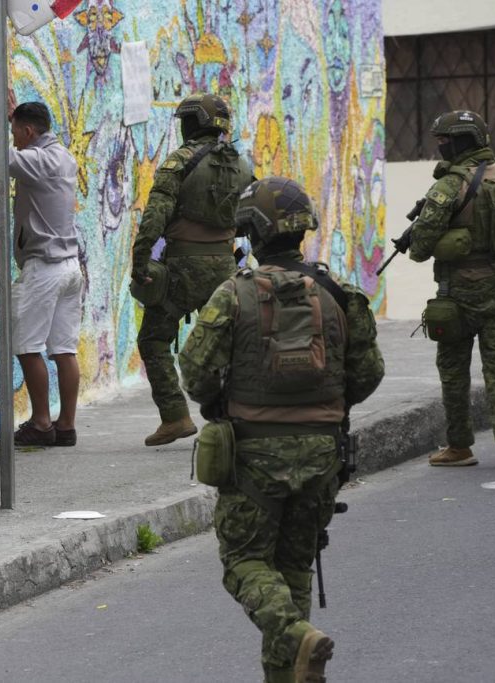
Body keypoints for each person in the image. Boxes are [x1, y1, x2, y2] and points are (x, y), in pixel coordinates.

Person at [180, 177, 385, 683]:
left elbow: (195, 372)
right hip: (323, 457)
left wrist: (221, 405)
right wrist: (326, 406)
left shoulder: (233, 295)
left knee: (245, 564)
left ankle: (296, 637)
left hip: (252, 457)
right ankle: (297, 655)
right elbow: (369, 373)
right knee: (293, 572)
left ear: (251, 231)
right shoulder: (340, 294)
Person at [132, 93, 255, 447]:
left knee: (154, 339)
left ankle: (175, 416)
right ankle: (235, 415)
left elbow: (156, 215)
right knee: (229, 341)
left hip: (183, 267)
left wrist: (140, 261)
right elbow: (253, 217)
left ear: (193, 123)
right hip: (226, 265)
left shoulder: (179, 161)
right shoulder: (242, 165)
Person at [407, 110, 495, 469]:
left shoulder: (449, 185)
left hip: (458, 294)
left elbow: (420, 247)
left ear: (462, 142)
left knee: (454, 369)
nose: (441, 147)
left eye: (445, 141)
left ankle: (459, 447)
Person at [0, 95, 83, 448]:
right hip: (71, 268)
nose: (14, 140)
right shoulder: (64, 156)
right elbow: (22, 151)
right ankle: (65, 425)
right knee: (64, 350)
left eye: (15, 133)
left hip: (45, 269)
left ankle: (41, 422)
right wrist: (11, 116)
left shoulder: (40, 160)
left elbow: (3, 157)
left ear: (27, 131)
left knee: (26, 346)